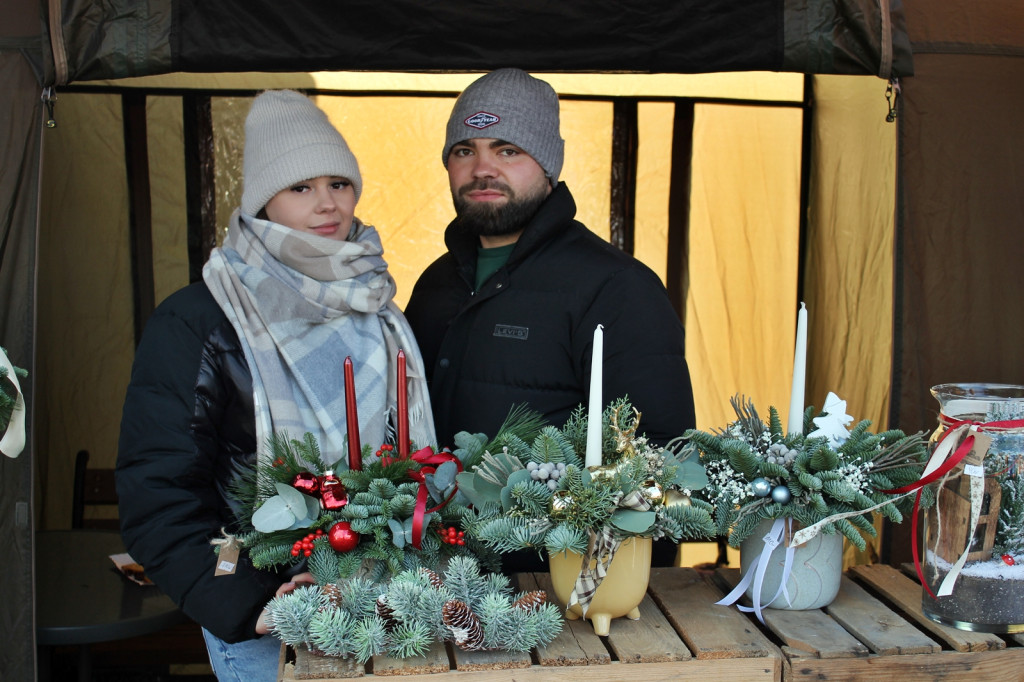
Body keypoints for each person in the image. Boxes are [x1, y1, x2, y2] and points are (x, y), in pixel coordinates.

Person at [116, 90, 434, 682]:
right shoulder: (201, 320)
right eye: (300, 188)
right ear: (264, 200)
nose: (327, 204)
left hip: (389, 598)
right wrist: (251, 604)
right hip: (271, 609)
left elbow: (404, 460)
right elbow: (156, 494)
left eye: (339, 183)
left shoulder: (377, 305)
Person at [404, 68, 696, 568]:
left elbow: (661, 474)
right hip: (432, 581)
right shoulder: (435, 284)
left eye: (507, 150)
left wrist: (626, 600)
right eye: (464, 151)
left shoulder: (617, 288)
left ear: (548, 166)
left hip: (557, 596)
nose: (483, 168)